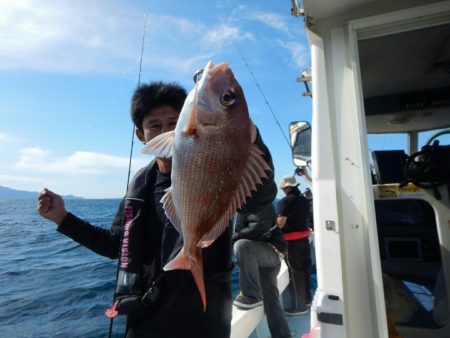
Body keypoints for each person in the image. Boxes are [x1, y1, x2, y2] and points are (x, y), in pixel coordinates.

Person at [36, 81, 234, 338]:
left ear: (190, 123)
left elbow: (259, 192)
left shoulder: (216, 173)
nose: (167, 131)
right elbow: (114, 245)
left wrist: (233, 118)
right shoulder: (140, 186)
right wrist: (61, 217)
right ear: (141, 135)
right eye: (155, 125)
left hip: (204, 320)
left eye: (175, 123)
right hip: (146, 319)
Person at [232, 133, 292, 338]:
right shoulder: (241, 207)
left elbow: (257, 228)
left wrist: (232, 241)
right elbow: (240, 230)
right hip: (260, 257)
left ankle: (250, 294)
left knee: (241, 246)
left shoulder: (260, 200)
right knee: (273, 302)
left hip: (272, 252)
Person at [276, 175, 312, 316]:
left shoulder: (284, 202)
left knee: (295, 273)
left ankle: (299, 307)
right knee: (304, 270)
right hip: (304, 240)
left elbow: (280, 223)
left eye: (283, 189)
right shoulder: (304, 200)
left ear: (287, 188)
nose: (283, 191)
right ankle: (307, 300)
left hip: (291, 242)